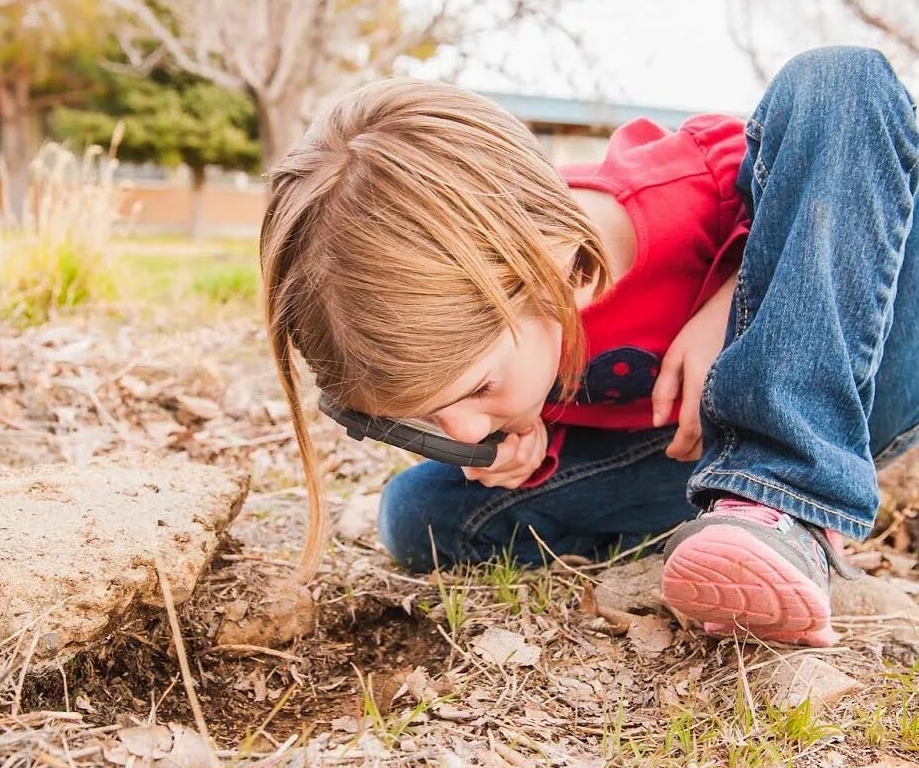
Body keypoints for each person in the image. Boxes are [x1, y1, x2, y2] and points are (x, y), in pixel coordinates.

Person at [260, 46, 919, 649]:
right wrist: (528, 443)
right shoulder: (495, 340)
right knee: (419, 514)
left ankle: (783, 498)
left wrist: (735, 296)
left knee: (838, 82)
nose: (460, 429)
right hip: (692, 444)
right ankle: (731, 526)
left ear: (547, 264)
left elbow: (828, 186)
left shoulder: (677, 193)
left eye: (479, 387)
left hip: (877, 355)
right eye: (429, 416)